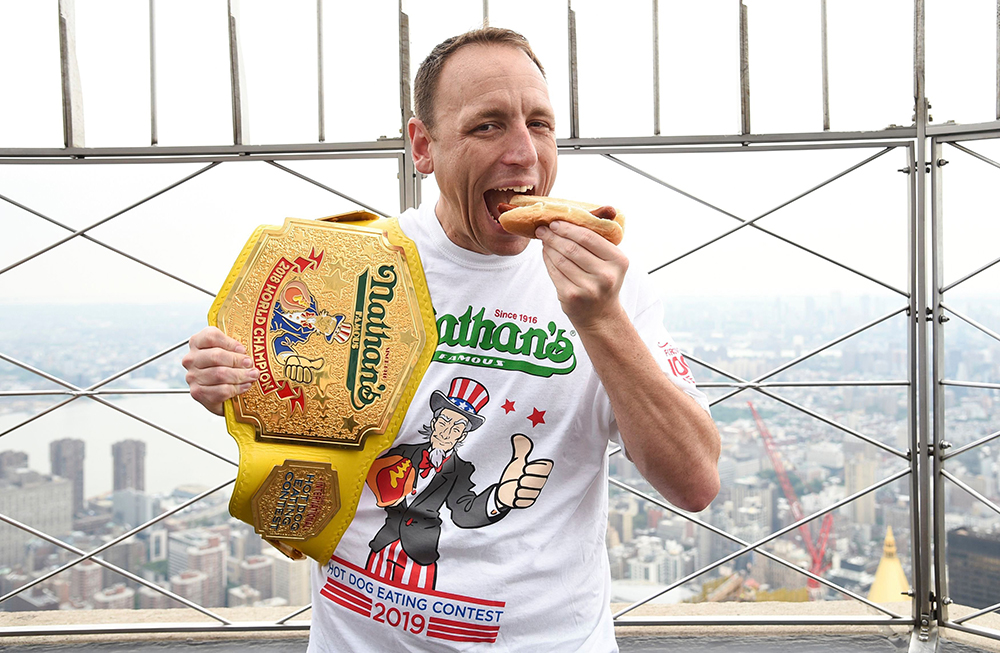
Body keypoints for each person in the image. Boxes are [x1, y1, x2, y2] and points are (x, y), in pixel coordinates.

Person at [183, 27, 720, 653]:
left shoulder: (611, 286)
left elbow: (694, 482)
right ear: (422, 146)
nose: (524, 152)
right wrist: (231, 382)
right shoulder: (348, 267)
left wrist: (602, 322)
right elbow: (290, 445)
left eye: (540, 124)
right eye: (487, 126)